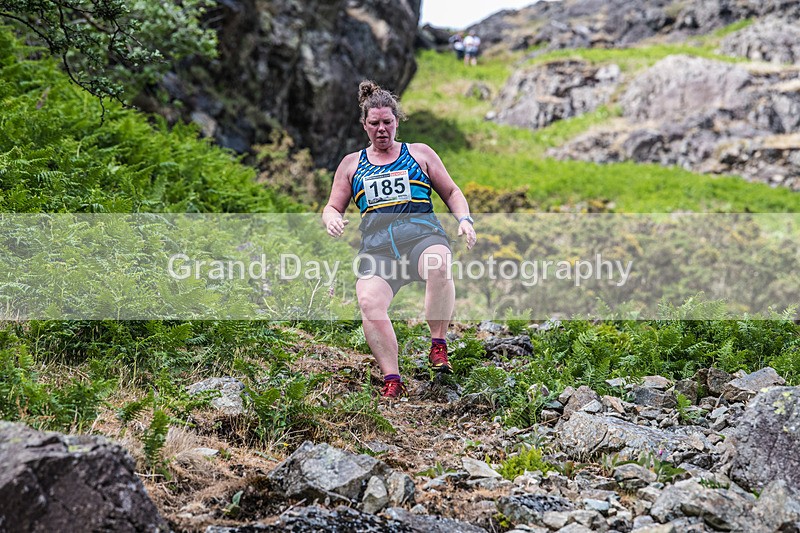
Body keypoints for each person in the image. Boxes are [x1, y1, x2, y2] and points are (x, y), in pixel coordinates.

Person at [322, 80, 477, 399]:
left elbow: (451, 191)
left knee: (439, 263)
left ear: (397, 121)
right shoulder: (351, 165)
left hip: (421, 237)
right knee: (368, 301)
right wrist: (332, 218)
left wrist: (464, 220)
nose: (382, 129)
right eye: (375, 123)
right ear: (365, 125)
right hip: (379, 250)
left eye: (388, 122)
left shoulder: (419, 154)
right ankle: (392, 379)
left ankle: (438, 345)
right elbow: (332, 206)